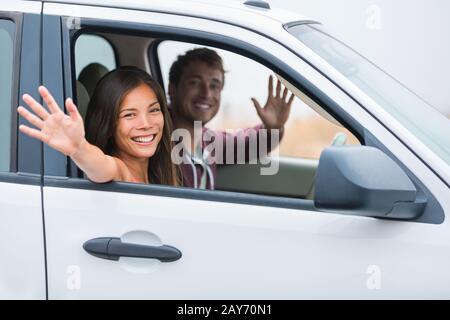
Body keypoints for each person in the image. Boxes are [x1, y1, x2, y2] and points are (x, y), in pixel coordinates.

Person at [17, 66, 180, 186]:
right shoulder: (120, 170)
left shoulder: (159, 174)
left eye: (154, 110)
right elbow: (100, 166)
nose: (146, 124)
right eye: (129, 115)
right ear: (108, 125)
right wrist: (79, 148)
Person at [168, 47, 295, 189]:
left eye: (214, 86)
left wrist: (274, 127)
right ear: (172, 89)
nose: (206, 94)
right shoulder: (155, 138)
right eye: (194, 83)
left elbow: (251, 144)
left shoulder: (208, 141)